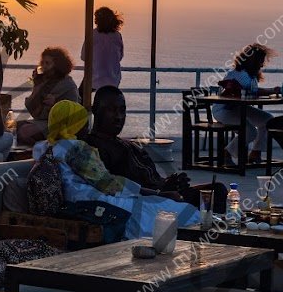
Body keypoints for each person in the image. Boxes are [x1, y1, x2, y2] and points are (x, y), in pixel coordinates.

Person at [34, 99, 198, 239]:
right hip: (91, 203)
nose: (86, 129)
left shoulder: (45, 148)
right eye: (83, 124)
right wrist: (156, 193)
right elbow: (108, 184)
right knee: (172, 211)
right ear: (74, 125)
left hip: (76, 203)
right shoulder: (75, 148)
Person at [85, 86, 226, 209]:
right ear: (96, 110)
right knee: (213, 197)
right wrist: (161, 193)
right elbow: (115, 186)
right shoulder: (94, 147)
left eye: (122, 111)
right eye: (112, 110)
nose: (119, 117)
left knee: (217, 190)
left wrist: (170, 182)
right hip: (149, 201)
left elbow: (153, 178)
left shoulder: (126, 144)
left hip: (163, 192)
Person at [212, 43, 277, 164]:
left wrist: (271, 91)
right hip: (225, 110)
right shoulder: (241, 75)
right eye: (260, 61)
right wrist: (271, 91)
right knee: (250, 131)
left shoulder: (250, 75)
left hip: (239, 108)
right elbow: (245, 92)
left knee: (268, 120)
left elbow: (252, 92)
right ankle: (227, 153)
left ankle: (255, 152)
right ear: (253, 61)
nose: (262, 64)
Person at [17, 47, 81, 145]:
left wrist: (55, 105)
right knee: (17, 126)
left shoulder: (68, 85)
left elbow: (72, 114)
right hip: (43, 121)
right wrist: (36, 87)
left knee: (25, 131)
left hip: (60, 126)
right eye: (42, 63)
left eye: (47, 63)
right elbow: (33, 110)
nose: (44, 66)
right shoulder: (45, 81)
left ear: (57, 66)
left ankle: (44, 148)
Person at [86, 7, 125, 90]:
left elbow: (84, 56)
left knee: (80, 95)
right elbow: (120, 56)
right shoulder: (117, 35)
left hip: (96, 78)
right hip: (114, 79)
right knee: (108, 99)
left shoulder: (93, 34)